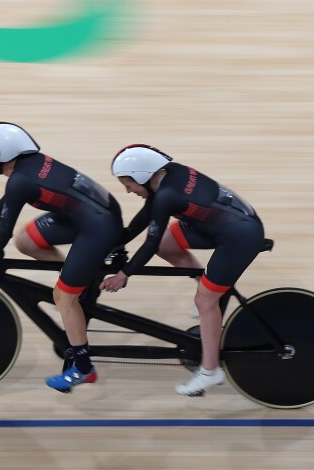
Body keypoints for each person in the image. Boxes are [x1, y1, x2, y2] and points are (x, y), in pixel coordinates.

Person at [0, 122, 124, 392]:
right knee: (27, 240)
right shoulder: (28, 167)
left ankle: (83, 368)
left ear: (3, 154)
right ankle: (75, 285)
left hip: (97, 228)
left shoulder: (21, 179)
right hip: (86, 215)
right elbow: (9, 202)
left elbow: (4, 233)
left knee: (62, 297)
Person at [100, 144, 265, 397]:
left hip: (239, 237)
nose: (127, 190)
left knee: (204, 301)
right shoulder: (168, 174)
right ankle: (209, 289)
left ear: (143, 175)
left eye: (128, 183)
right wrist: (120, 239)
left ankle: (210, 371)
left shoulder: (168, 195)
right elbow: (148, 216)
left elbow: (149, 242)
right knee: (168, 242)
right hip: (223, 222)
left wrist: (124, 275)